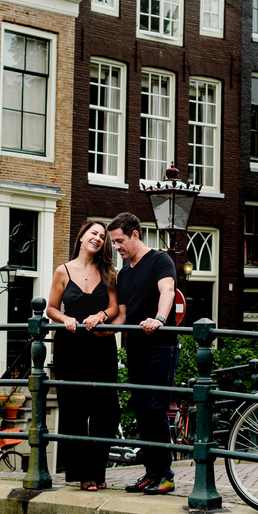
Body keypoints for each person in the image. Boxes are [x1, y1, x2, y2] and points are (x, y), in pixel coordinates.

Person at [45, 219, 120, 491]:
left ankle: (97, 472)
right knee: (74, 411)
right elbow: (50, 308)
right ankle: (82, 475)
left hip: (101, 348)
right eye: (94, 233)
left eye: (102, 236)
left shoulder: (109, 272)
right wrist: (64, 318)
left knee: (106, 412)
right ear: (82, 236)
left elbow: (113, 308)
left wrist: (101, 315)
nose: (98, 238)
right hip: (71, 347)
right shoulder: (63, 271)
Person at [107, 212, 177, 495]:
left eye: (120, 241)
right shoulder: (124, 273)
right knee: (141, 411)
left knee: (155, 409)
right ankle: (151, 473)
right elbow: (122, 315)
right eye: (113, 242)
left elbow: (168, 290)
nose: (116, 247)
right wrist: (98, 327)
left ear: (135, 234)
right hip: (134, 348)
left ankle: (166, 475)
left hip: (160, 347)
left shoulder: (160, 260)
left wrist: (159, 319)